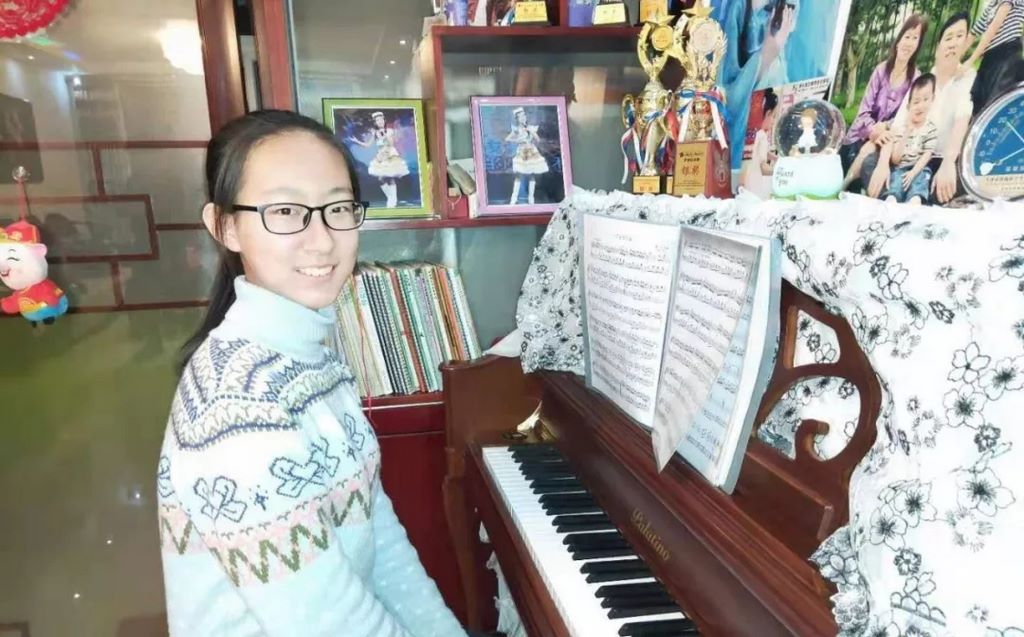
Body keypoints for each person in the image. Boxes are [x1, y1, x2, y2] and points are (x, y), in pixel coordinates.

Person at [157, 110, 468, 637]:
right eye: (285, 211)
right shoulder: (237, 408)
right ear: (225, 226)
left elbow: (382, 542)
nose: (322, 240)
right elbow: (332, 626)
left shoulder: (311, 358)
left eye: (338, 208)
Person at [864, 12, 975, 205]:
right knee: (870, 164)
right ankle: (900, 198)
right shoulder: (923, 82)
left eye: (960, 37)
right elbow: (898, 127)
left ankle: (903, 199)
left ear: (966, 44)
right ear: (938, 47)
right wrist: (883, 164)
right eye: (948, 38)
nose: (953, 43)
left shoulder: (968, 78)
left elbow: (962, 119)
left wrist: (949, 162)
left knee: (951, 183)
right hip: (908, 156)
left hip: (941, 159)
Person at [840, 14, 927, 191]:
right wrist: (873, 130)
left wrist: (884, 128)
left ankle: (844, 187)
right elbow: (863, 111)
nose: (909, 42)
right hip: (861, 133)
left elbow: (906, 116)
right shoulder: (881, 70)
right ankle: (844, 185)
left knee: (870, 149)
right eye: (907, 36)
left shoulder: (915, 78)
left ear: (918, 45)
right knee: (865, 147)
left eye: (915, 38)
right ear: (898, 40)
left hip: (889, 137)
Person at [883, 74, 938, 205]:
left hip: (919, 168)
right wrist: (906, 133)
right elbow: (895, 159)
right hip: (901, 168)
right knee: (896, 180)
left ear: (932, 100)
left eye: (926, 99)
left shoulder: (931, 129)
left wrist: (913, 172)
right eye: (916, 102)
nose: (920, 106)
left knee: (922, 178)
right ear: (908, 107)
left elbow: (927, 155)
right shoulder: (901, 129)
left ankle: (915, 200)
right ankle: (892, 198)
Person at [964, 0, 1024, 115]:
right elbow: (974, 32)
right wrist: (956, 58)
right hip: (990, 59)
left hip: (1007, 57)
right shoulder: (992, 5)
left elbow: (994, 27)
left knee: (996, 105)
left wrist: (971, 60)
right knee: (978, 104)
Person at [348, 111, 408, 208]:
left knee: (390, 177)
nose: (380, 122)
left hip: (390, 154)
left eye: (381, 120)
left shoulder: (390, 131)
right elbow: (367, 145)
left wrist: (385, 135)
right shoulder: (375, 133)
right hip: (381, 156)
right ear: (375, 123)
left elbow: (391, 143)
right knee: (380, 178)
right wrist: (357, 141)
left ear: (384, 120)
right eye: (377, 120)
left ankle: (393, 200)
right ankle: (391, 197)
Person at [505, 106, 548, 205]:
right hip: (522, 152)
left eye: (523, 116)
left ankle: (531, 199)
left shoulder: (531, 127)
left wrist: (530, 130)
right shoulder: (516, 129)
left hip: (531, 152)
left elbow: (538, 139)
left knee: (532, 174)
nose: (523, 118)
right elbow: (507, 139)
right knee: (518, 175)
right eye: (520, 117)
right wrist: (518, 140)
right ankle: (513, 199)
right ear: (517, 119)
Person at [741, 89, 778, 196]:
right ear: (768, 113)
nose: (773, 121)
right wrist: (779, 172)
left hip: (743, 184)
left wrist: (775, 158)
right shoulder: (762, 136)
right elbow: (763, 167)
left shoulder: (750, 134)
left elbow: (759, 152)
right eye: (774, 116)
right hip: (754, 187)